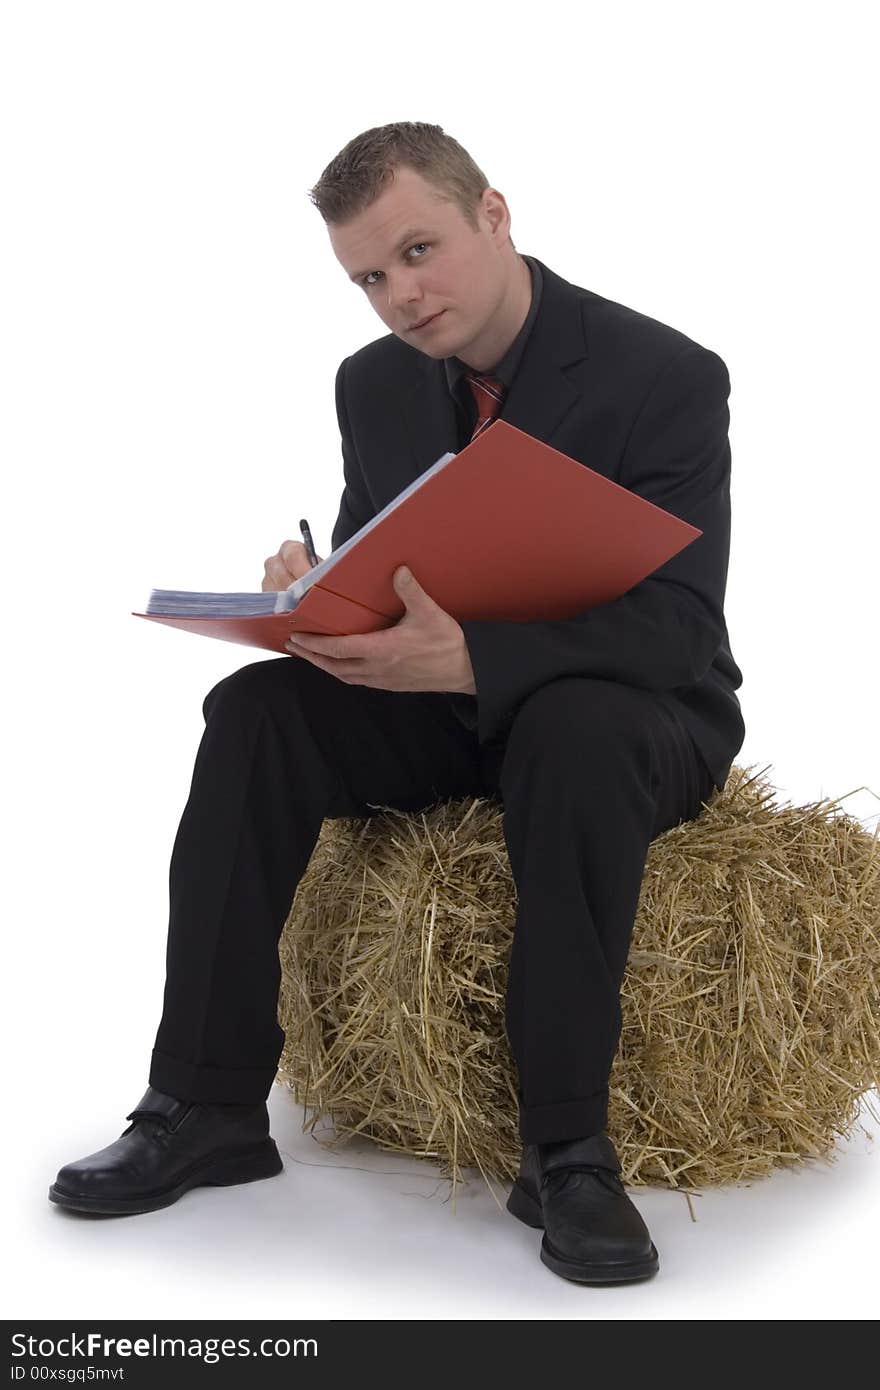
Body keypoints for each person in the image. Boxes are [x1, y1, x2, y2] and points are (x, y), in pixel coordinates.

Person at [49, 122, 745, 1286]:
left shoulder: (663, 375)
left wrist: (475, 657)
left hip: (632, 716)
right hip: (453, 708)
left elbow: (677, 629)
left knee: (572, 734)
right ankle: (207, 1104)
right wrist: (318, 597)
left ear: (494, 215)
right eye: (368, 276)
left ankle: (565, 1150)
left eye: (418, 250)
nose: (398, 295)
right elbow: (400, 558)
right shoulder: (372, 384)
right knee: (256, 713)